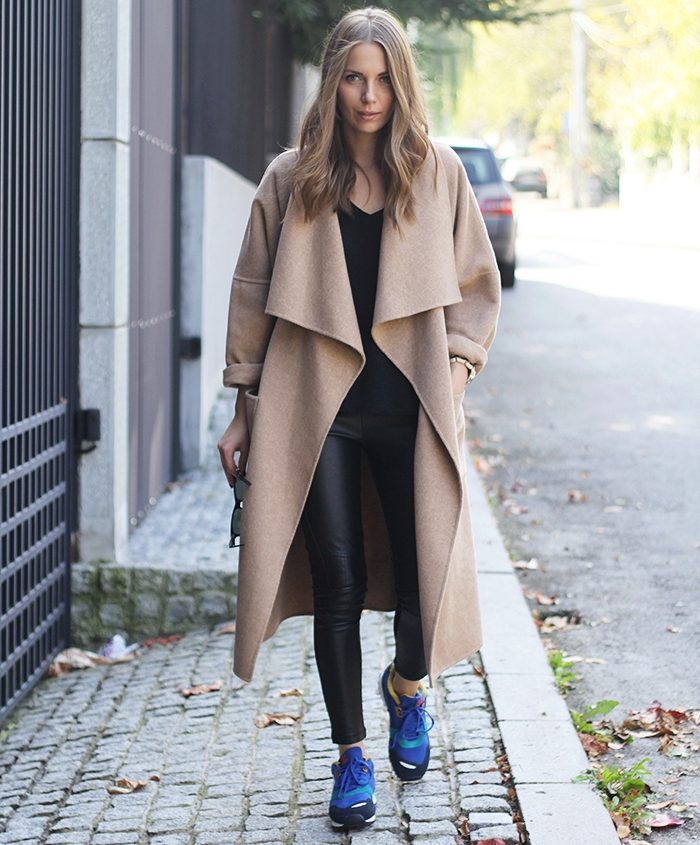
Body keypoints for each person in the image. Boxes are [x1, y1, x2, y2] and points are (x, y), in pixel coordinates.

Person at [217, 6, 501, 832]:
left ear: (400, 83)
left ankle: (407, 685)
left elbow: (476, 287)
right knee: (336, 582)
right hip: (319, 413)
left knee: (422, 579)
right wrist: (242, 410)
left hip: (411, 409)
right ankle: (350, 755)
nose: (369, 96)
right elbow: (251, 295)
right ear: (332, 83)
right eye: (353, 78)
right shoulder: (291, 178)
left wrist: (456, 369)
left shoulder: (436, 172)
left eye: (381, 79)